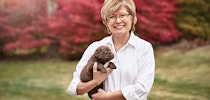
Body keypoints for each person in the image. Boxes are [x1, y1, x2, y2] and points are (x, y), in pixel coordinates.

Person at [67, 0, 155, 99]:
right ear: (106, 21)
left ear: (132, 18)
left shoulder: (144, 48)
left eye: (122, 15)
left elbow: (142, 88)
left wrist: (107, 97)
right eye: (112, 16)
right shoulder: (95, 48)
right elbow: (74, 88)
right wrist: (95, 81)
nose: (118, 21)